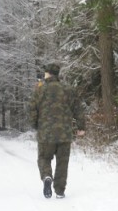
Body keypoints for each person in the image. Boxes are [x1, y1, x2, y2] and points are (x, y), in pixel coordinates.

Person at [28, 63, 85, 199]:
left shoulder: (39, 90)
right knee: (62, 162)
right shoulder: (68, 89)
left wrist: (35, 125)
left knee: (44, 158)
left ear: (47, 74)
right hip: (65, 133)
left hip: (45, 133)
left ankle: (47, 176)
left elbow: (32, 110)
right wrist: (81, 127)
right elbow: (78, 109)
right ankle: (60, 190)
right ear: (58, 74)